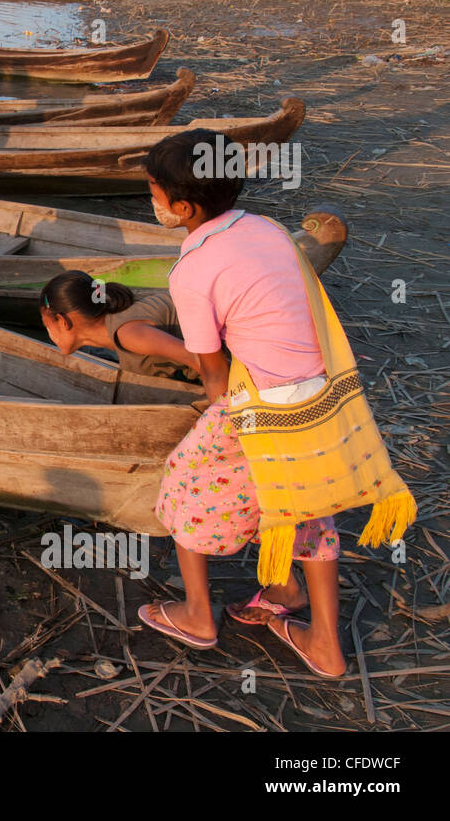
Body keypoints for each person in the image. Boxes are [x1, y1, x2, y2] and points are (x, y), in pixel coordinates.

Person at [134, 129, 409, 678]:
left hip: (266, 408)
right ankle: (305, 617)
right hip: (324, 395)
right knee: (302, 504)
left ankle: (196, 615)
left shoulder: (191, 271)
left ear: (182, 206)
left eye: (154, 193)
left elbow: (214, 376)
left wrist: (216, 420)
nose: (153, 201)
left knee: (184, 481)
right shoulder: (264, 227)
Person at [38, 271, 199, 382]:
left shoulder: (128, 334)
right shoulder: (117, 325)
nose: (49, 332)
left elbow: (204, 361)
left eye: (47, 325)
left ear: (63, 321)